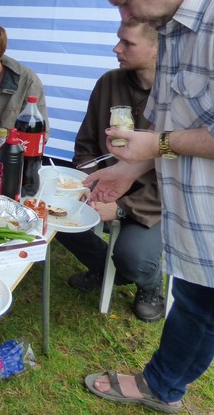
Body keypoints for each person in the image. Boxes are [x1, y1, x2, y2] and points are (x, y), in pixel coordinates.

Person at [82, 0, 214, 414]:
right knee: (196, 308)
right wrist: (129, 169)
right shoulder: (173, 22)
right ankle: (162, 386)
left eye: (125, 2)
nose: (124, 17)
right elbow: (172, 115)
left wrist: (156, 146)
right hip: (211, 222)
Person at [57, 19, 165, 322]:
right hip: (104, 189)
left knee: (134, 255)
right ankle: (108, 270)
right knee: (54, 215)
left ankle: (149, 283)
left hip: (155, 203)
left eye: (128, 43)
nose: (116, 48)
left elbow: (179, 173)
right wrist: (90, 185)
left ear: (158, 48)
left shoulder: (178, 95)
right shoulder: (109, 82)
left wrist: (121, 208)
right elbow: (86, 144)